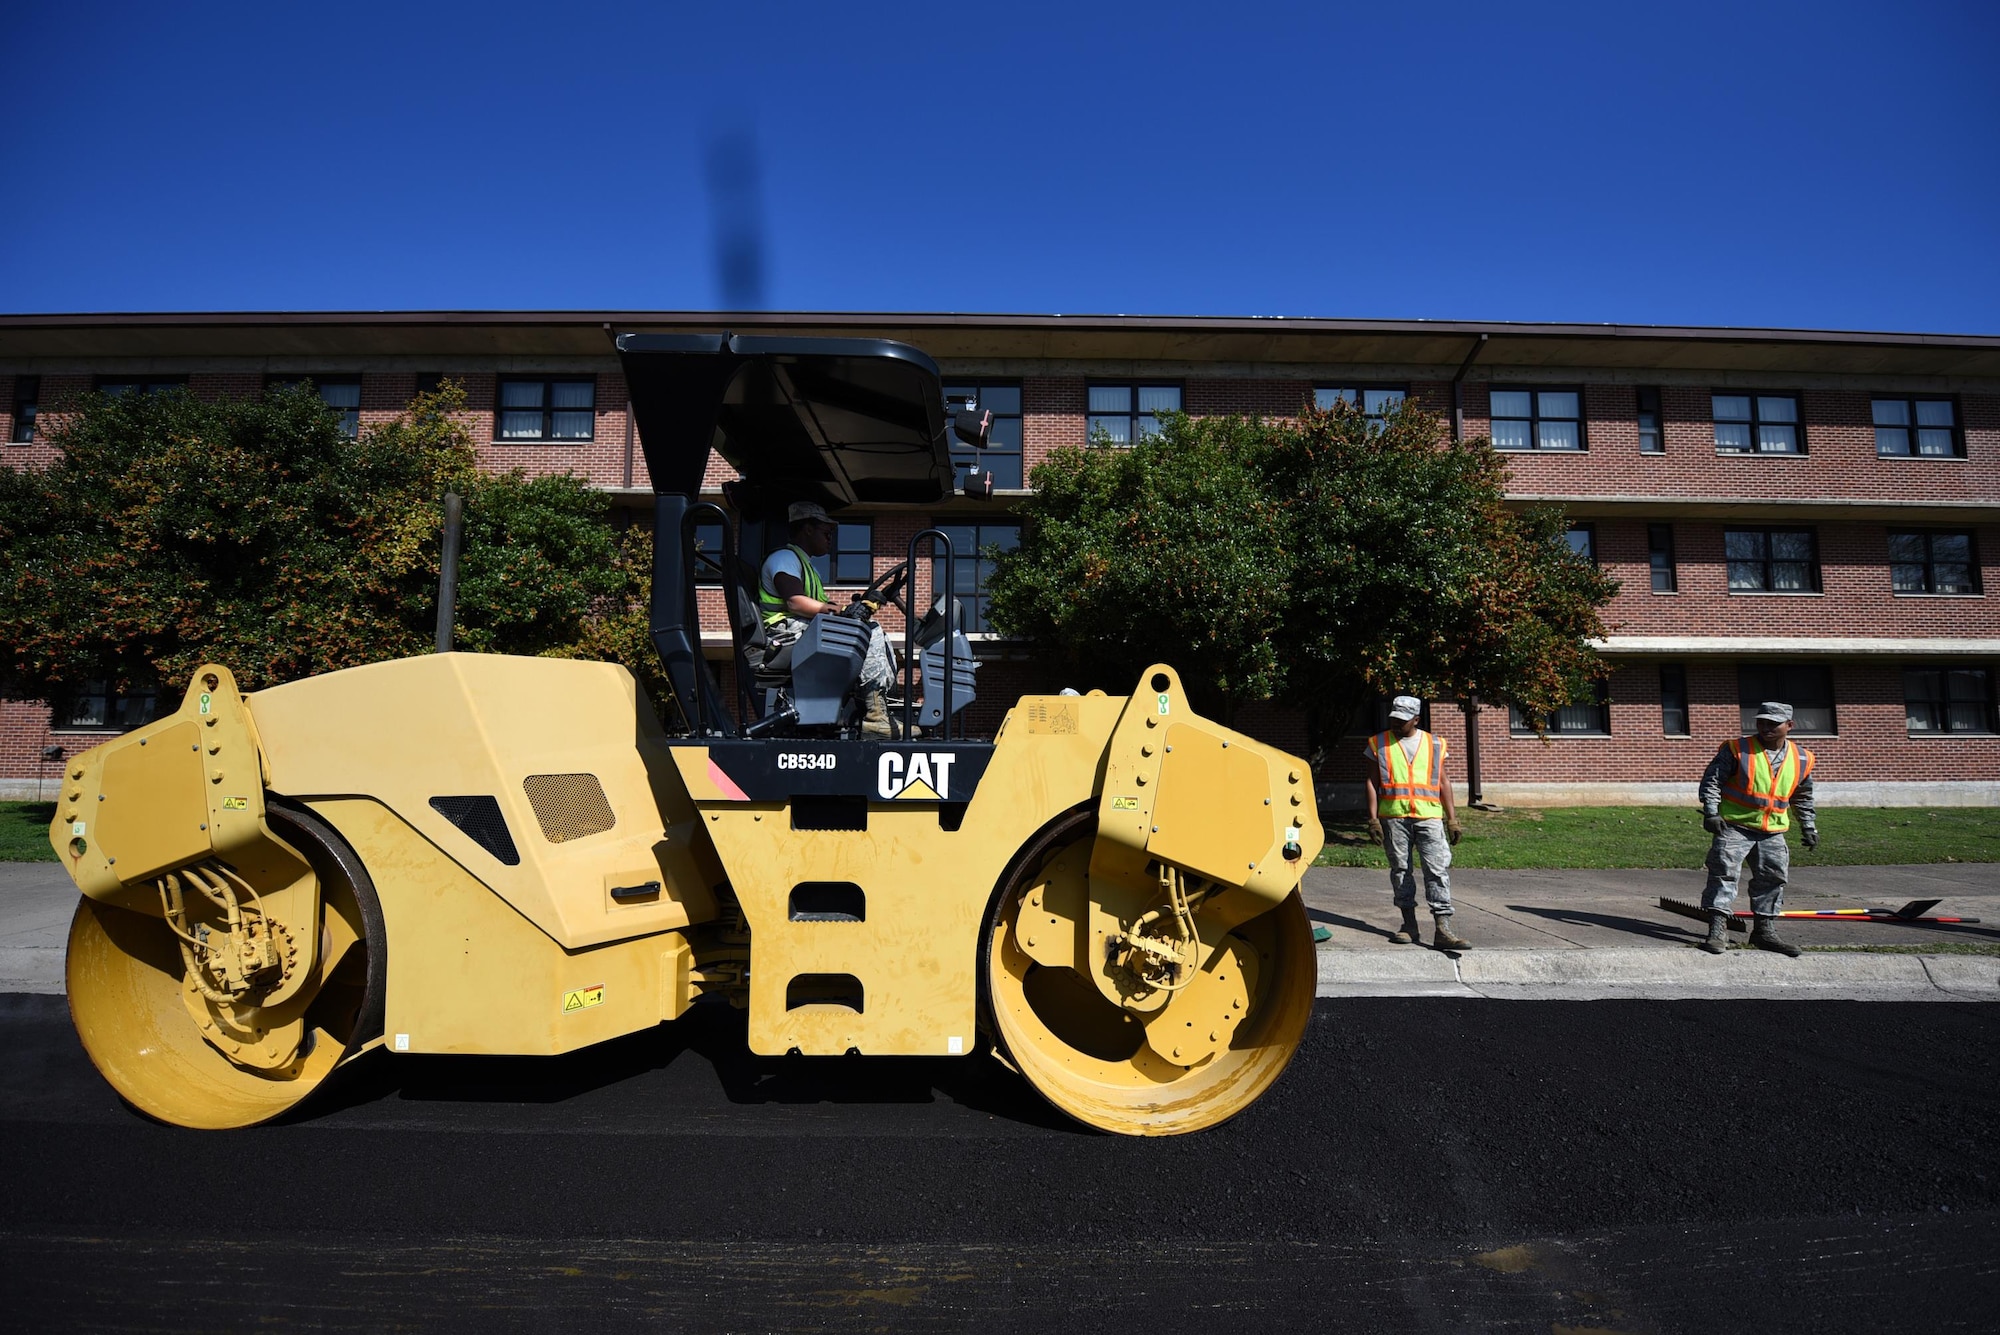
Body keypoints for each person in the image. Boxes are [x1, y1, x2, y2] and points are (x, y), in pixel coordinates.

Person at [757, 501, 897, 736]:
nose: (830, 538)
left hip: (801, 631)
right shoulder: (785, 558)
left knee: (865, 628)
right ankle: (875, 714)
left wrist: (858, 609)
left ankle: (871, 709)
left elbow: (825, 608)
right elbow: (795, 601)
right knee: (869, 631)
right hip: (786, 636)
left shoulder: (807, 566)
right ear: (807, 529)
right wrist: (844, 612)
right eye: (826, 532)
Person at [1695, 701, 1818, 957]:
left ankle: (1764, 931)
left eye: (1773, 724)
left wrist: (1808, 826)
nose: (1766, 727)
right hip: (1734, 827)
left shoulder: (1802, 758)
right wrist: (1711, 812)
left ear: (1789, 726)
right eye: (1762, 722)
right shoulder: (1737, 749)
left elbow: (1803, 796)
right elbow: (1712, 781)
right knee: (1723, 875)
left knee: (1772, 880)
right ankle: (1717, 930)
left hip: (1772, 830)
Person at [1363, 696, 1468, 949]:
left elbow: (1443, 782)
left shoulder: (1434, 744)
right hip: (1394, 818)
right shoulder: (1378, 743)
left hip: (1429, 817)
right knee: (1401, 871)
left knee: (1437, 870)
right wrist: (1373, 819)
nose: (1396, 724)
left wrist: (1452, 819)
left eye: (1402, 720)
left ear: (1416, 719)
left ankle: (1443, 928)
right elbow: (1371, 782)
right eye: (1394, 719)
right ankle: (1409, 925)